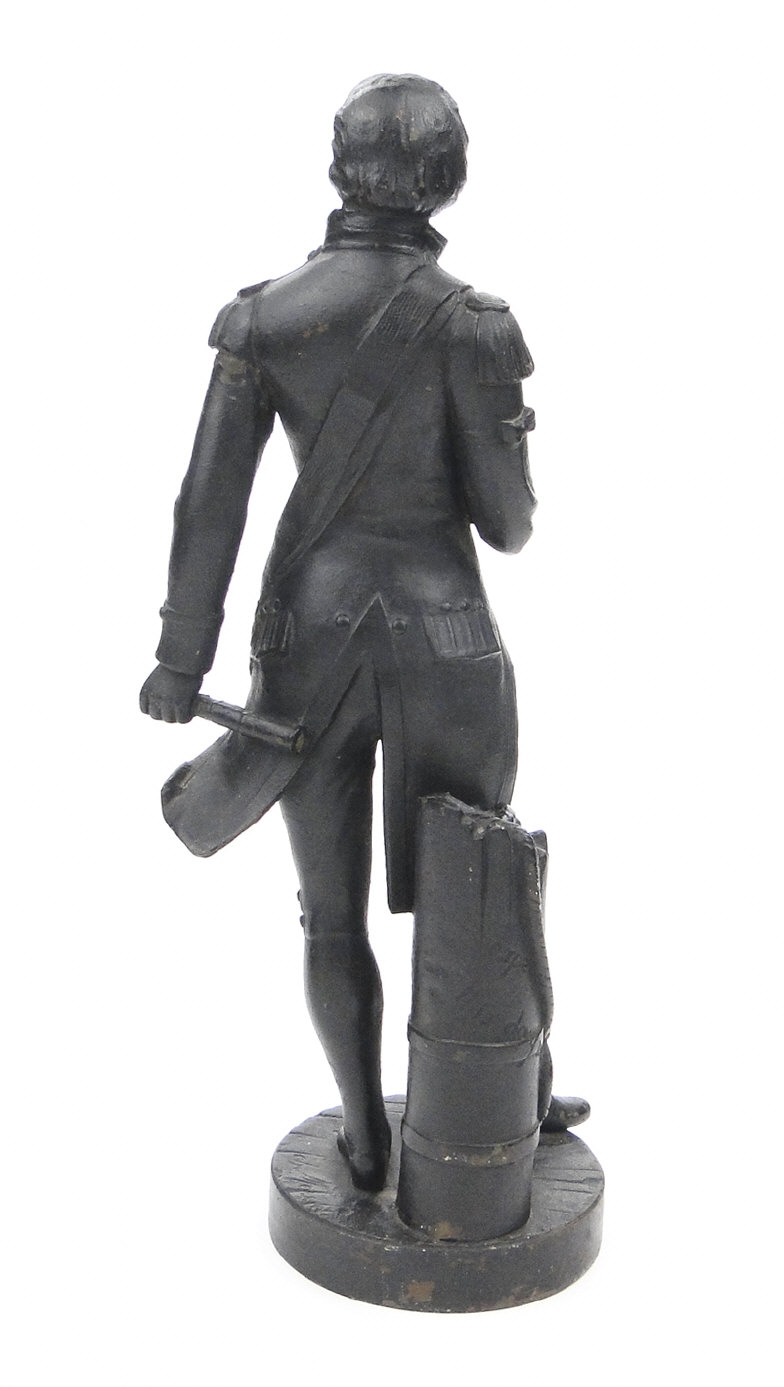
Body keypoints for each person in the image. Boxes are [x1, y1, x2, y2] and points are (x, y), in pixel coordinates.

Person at [141, 74, 584, 1193]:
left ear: (339, 167)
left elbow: (208, 504)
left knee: (329, 917)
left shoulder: (263, 319)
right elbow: (509, 527)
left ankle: (363, 1135)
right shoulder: (477, 325)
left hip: (308, 649)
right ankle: (516, 1097)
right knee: (478, 886)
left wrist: (181, 660)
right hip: (445, 640)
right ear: (448, 179)